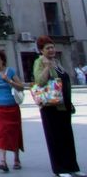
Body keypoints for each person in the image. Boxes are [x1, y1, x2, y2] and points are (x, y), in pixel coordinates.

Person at [33, 35, 81, 176]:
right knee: (55, 137)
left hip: (63, 105)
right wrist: (47, 68)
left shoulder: (57, 62)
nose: (51, 50)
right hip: (50, 106)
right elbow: (39, 81)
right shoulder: (40, 62)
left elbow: (64, 81)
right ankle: (60, 168)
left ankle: (72, 167)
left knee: (67, 136)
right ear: (41, 50)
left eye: (52, 47)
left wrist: (69, 102)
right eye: (48, 48)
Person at [0, 48, 24, 172]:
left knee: (14, 132)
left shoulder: (10, 71)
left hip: (12, 107)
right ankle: (2, 161)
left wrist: (8, 80)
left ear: (3, 61)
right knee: (1, 132)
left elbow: (21, 87)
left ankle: (16, 158)